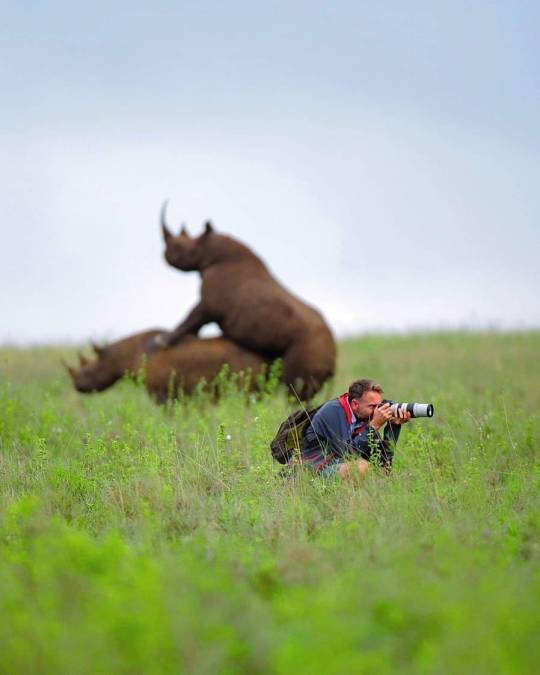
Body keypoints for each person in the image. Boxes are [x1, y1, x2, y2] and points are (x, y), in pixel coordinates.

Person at [301, 378, 410, 480]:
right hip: (312, 471)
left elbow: (382, 462)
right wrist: (373, 426)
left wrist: (393, 427)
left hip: (336, 466)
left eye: (379, 406)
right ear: (355, 404)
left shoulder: (363, 417)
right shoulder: (333, 411)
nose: (377, 410)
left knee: (380, 472)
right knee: (360, 467)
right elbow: (347, 454)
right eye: (372, 406)